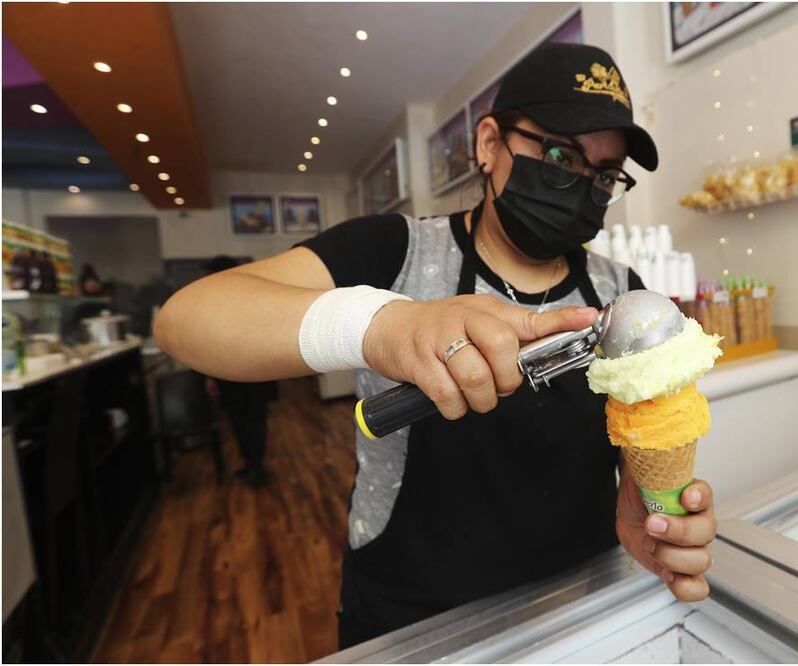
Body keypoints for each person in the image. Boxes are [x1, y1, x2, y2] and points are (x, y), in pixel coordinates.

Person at [155, 43, 717, 648]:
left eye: (604, 174)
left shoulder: (619, 291)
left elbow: (631, 440)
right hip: (415, 617)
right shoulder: (393, 253)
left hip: (578, 606)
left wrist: (649, 510)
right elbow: (187, 319)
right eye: (559, 154)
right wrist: (382, 324)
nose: (582, 185)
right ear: (488, 144)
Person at [201, 255, 278, 487]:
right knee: (244, 419)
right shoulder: (222, 300)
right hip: (238, 373)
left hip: (248, 372)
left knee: (251, 419)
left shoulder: (244, 299)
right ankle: (252, 464)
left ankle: (255, 465)